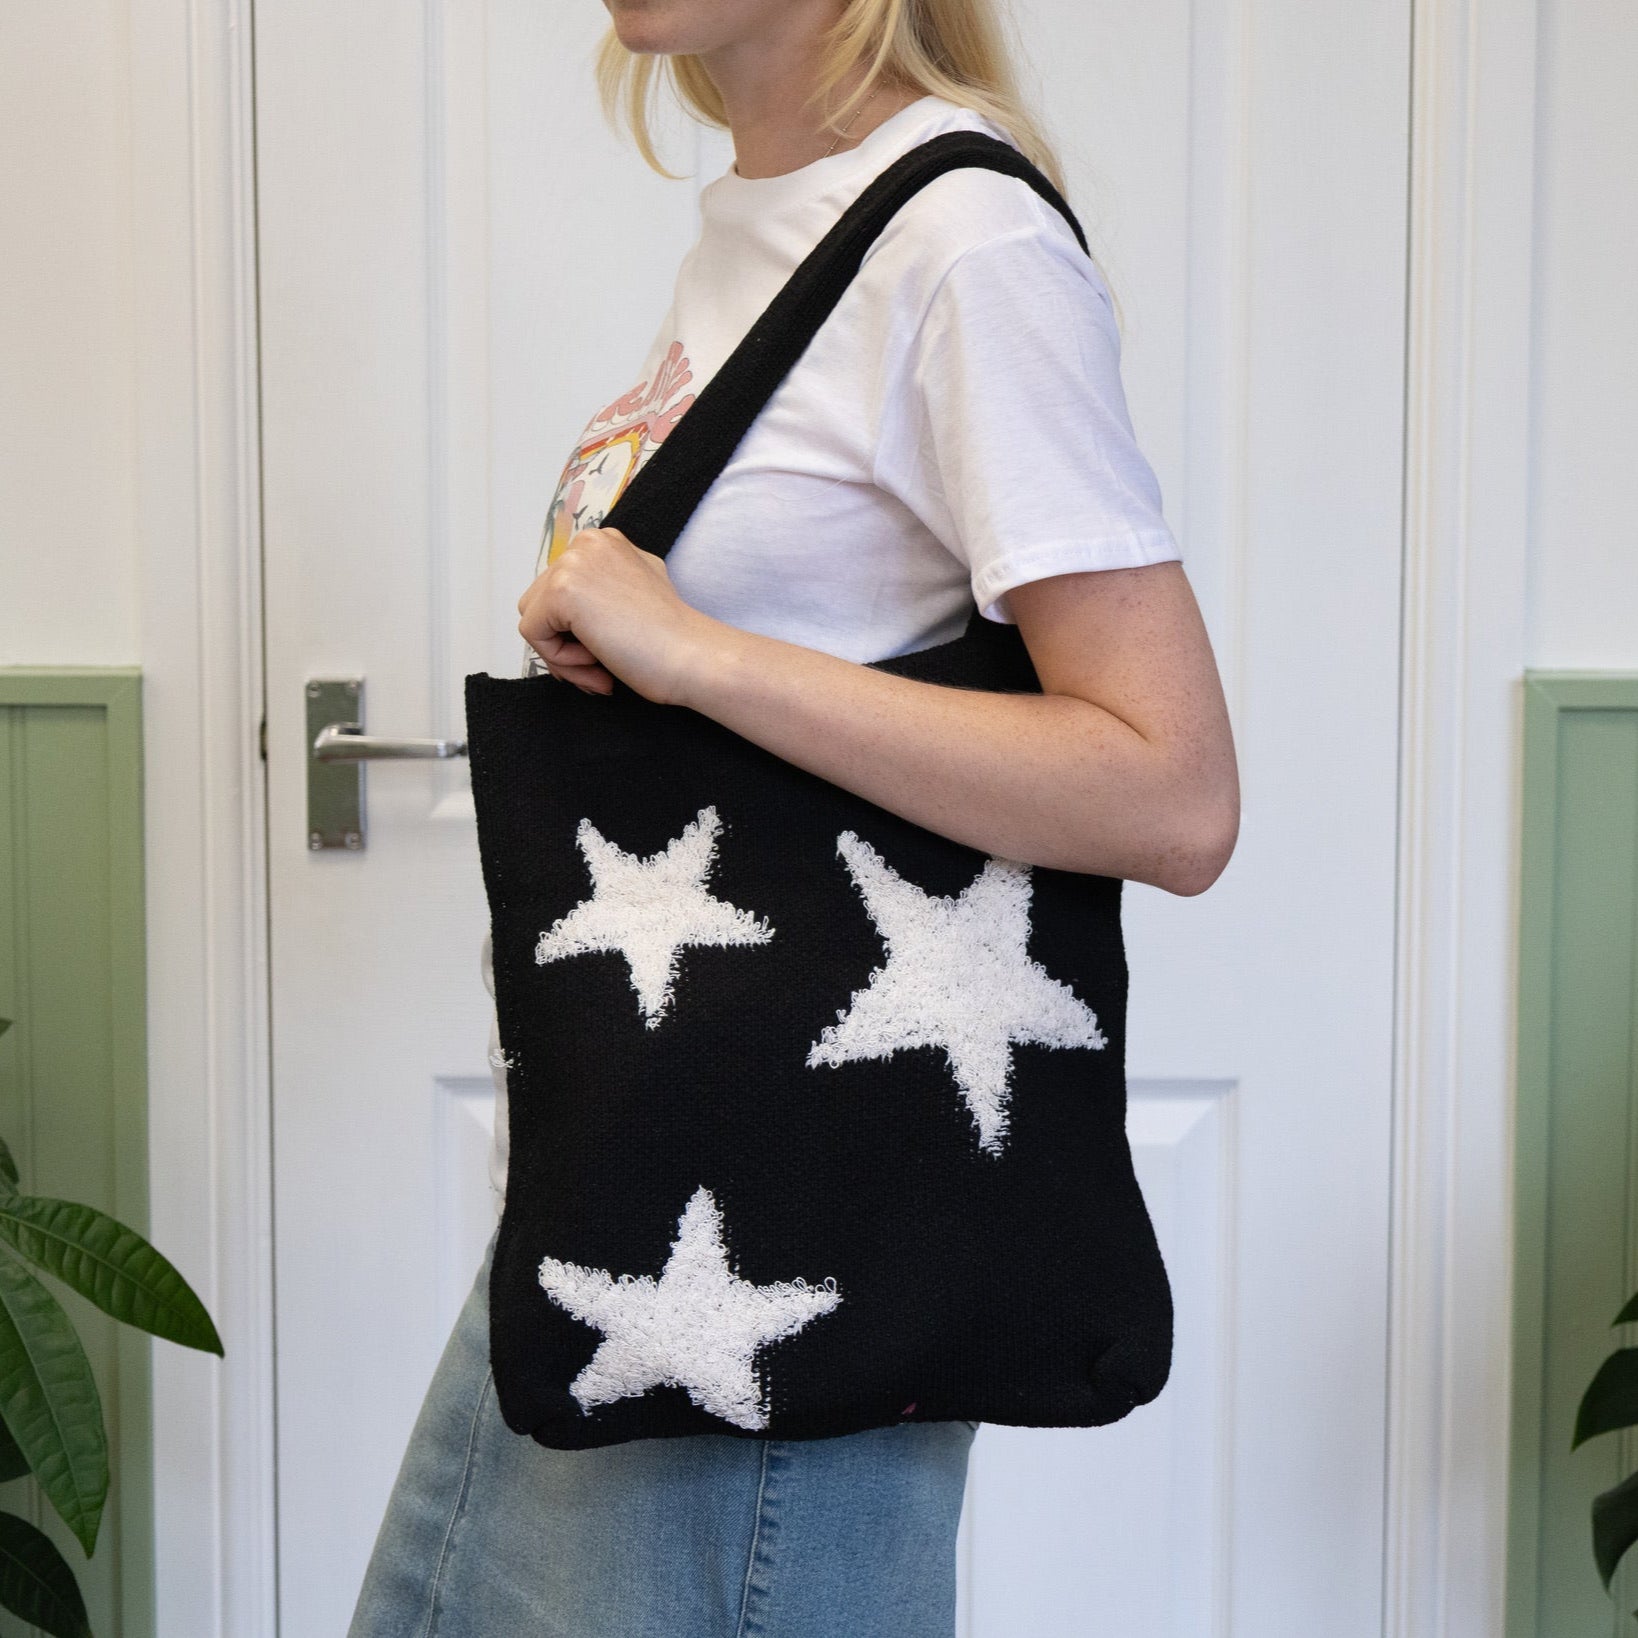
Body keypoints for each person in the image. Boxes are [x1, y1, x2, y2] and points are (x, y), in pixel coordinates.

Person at [348, 0, 1239, 1632]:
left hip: (788, 1244)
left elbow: (1169, 789)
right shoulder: (768, 223)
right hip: (628, 1187)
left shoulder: (962, 244)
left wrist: (699, 653)